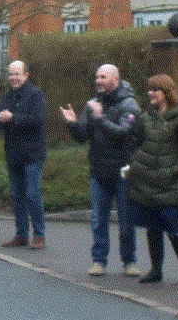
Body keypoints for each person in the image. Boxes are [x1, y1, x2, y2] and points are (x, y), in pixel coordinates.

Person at [60, 64, 141, 277]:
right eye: (97, 77)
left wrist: (100, 118)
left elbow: (123, 133)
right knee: (98, 219)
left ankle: (130, 261)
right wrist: (72, 124)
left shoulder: (129, 104)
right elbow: (83, 136)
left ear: (116, 79)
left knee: (126, 220)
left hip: (123, 170)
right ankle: (99, 261)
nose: (98, 81)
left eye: (103, 77)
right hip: (98, 169)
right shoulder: (93, 104)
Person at [125, 74, 178, 285]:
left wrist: (173, 172)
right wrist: (135, 163)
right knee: (153, 229)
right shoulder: (146, 117)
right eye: (149, 90)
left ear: (166, 93)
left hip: (169, 185)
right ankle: (156, 269)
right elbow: (135, 141)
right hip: (145, 182)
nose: (151, 94)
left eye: (155, 90)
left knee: (176, 231)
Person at [0, 60, 47, 249]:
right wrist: (0, 119)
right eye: (11, 74)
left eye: (17, 74)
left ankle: (39, 235)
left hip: (33, 153)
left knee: (33, 195)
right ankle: (21, 234)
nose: (14, 78)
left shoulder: (36, 95)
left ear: (26, 75)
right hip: (13, 153)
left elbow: (37, 120)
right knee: (17, 196)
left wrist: (13, 118)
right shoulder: (7, 96)